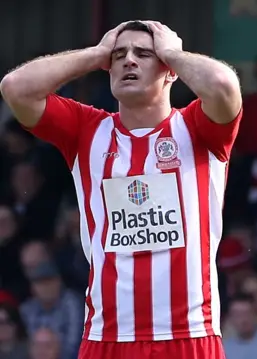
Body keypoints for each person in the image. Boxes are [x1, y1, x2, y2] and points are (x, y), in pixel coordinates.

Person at [0, 20, 242, 359]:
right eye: (120, 55)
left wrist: (172, 51)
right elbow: (15, 87)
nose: (129, 60)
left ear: (170, 71)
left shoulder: (197, 128)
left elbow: (222, 85)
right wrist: (96, 53)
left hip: (189, 335)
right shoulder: (87, 131)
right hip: (107, 338)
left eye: (144, 53)